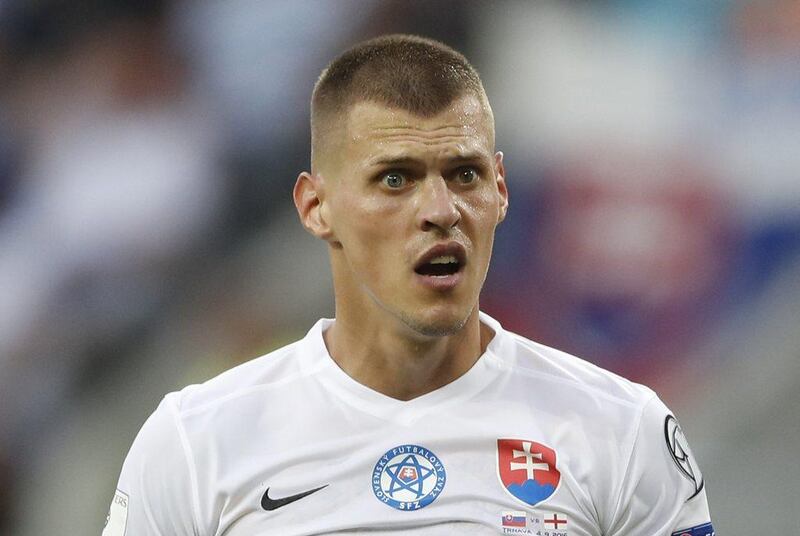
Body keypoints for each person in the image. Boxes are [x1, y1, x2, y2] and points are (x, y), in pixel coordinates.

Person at [103, 34, 714, 536]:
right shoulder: (197, 442)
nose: (440, 209)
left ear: (500, 191)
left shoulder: (621, 431)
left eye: (465, 173)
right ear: (317, 207)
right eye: (396, 179)